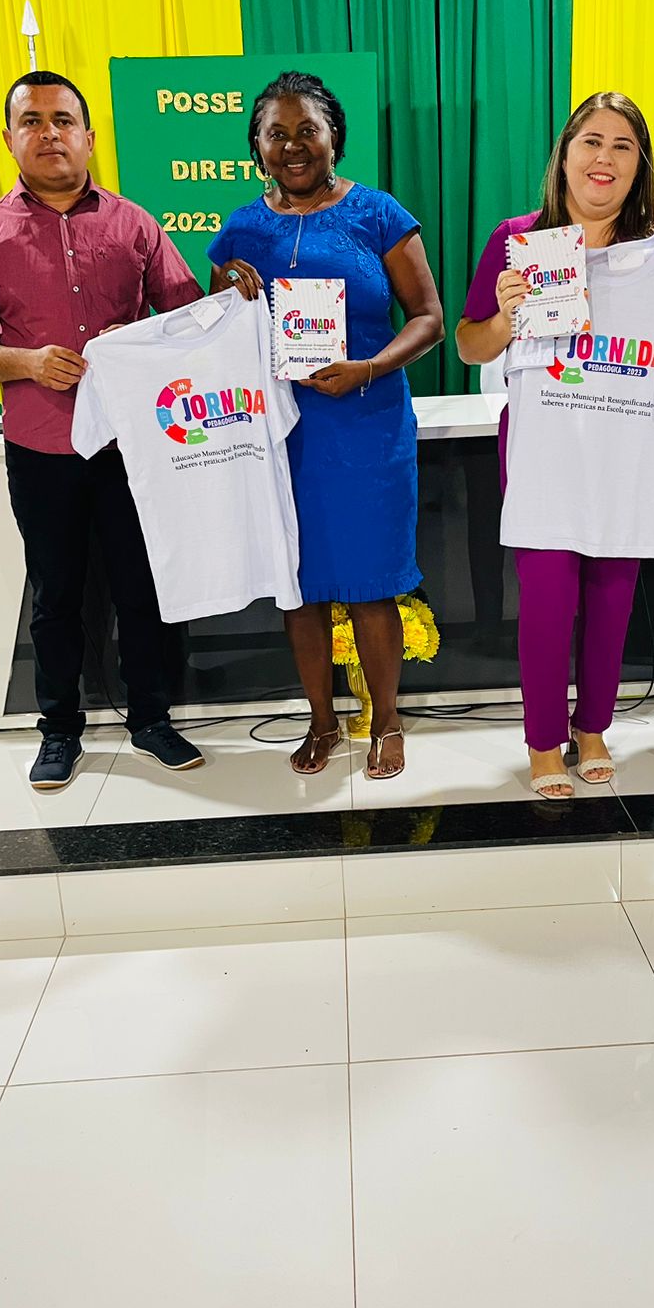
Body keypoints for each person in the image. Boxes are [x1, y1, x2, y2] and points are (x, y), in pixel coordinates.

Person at [456, 93, 654, 797]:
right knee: (548, 602)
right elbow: (468, 345)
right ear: (566, 153)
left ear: (640, 165)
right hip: (544, 453)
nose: (604, 158)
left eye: (622, 146)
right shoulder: (519, 240)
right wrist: (507, 316)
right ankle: (543, 739)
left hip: (624, 450)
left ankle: (593, 728)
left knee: (612, 599)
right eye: (591, 141)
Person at [0, 71, 205, 788]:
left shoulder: (135, 226)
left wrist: (157, 334)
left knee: (141, 588)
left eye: (62, 120)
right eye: (31, 121)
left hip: (133, 447)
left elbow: (186, 319)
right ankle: (59, 729)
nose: (49, 133)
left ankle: (151, 719)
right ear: (9, 140)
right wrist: (25, 362)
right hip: (40, 447)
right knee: (56, 596)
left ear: (89, 137)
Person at [207, 70, 444, 780]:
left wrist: (367, 367)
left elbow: (429, 319)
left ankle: (386, 721)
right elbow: (215, 332)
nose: (293, 145)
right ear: (256, 147)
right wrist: (226, 291)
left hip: (367, 425)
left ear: (333, 136)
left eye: (306, 129)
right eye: (275, 134)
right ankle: (320, 721)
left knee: (372, 582)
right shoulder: (241, 228)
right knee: (300, 586)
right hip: (281, 434)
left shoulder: (378, 213)